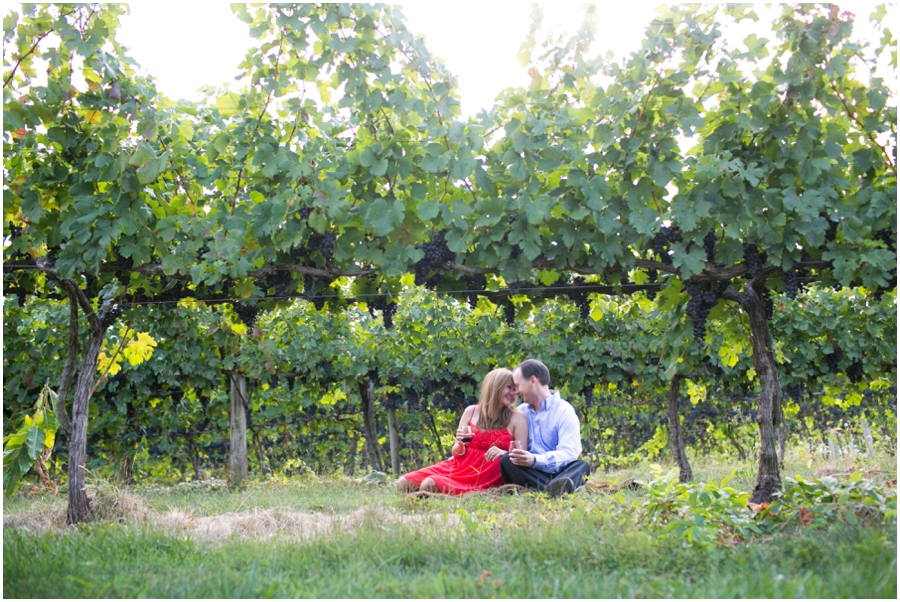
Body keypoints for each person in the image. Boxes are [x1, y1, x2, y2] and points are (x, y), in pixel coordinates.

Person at [396, 368, 528, 494]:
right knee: (402, 483)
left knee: (428, 484)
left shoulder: (517, 417)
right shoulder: (471, 411)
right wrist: (459, 443)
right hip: (459, 466)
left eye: (514, 389)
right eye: (509, 388)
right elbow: (456, 452)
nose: (513, 393)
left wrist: (503, 454)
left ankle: (447, 494)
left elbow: (522, 457)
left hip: (485, 475)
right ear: (495, 387)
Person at [500, 358, 591, 497]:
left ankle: (552, 488)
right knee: (507, 460)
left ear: (532, 381)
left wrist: (535, 460)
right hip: (531, 472)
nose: (516, 392)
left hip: (559, 471)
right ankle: (556, 490)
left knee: (581, 465)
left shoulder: (564, 411)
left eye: (518, 385)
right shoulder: (521, 411)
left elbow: (569, 453)